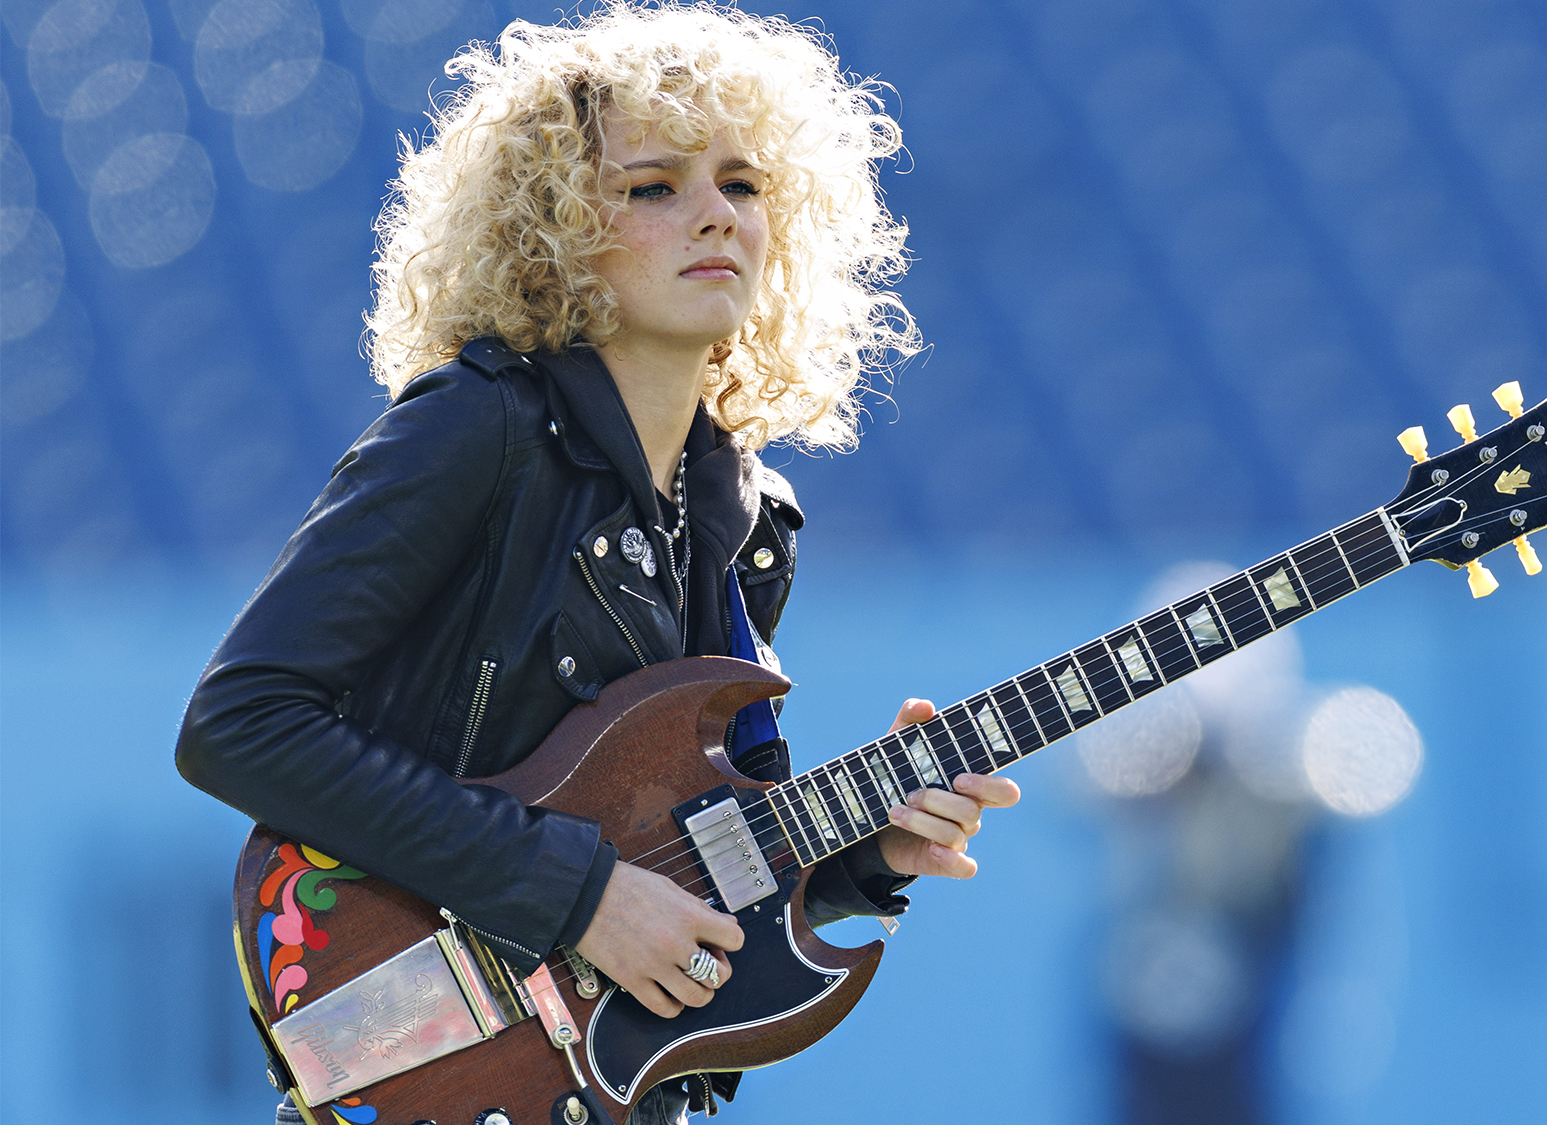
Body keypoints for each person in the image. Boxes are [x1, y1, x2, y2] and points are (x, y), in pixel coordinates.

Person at [173, 4, 1020, 1121]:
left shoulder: (746, 516)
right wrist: (573, 900)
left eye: (743, 185)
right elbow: (240, 722)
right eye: (653, 188)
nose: (713, 215)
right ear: (553, 229)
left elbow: (684, 859)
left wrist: (865, 856)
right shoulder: (475, 430)